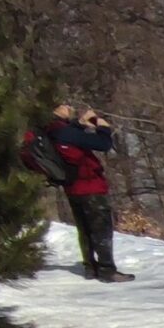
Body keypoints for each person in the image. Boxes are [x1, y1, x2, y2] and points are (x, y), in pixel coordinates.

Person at [43, 103, 131, 282]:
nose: (69, 107)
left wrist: (80, 123)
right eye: (64, 105)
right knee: (101, 229)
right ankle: (107, 269)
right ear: (55, 109)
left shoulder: (50, 131)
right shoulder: (63, 131)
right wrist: (103, 127)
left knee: (84, 228)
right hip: (90, 186)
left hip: (72, 187)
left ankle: (90, 267)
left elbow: (72, 140)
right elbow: (103, 144)